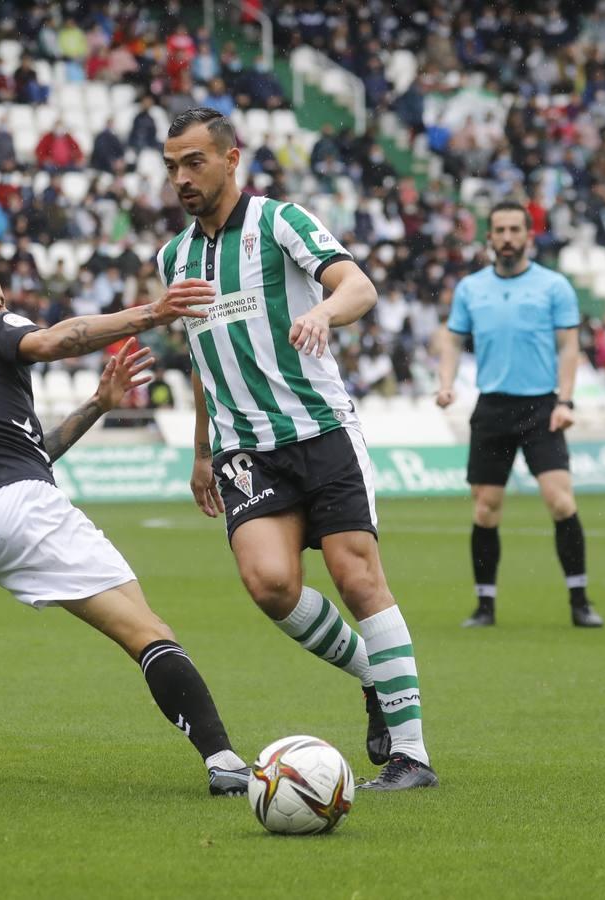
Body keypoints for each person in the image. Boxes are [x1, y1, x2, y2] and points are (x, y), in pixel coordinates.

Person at [0, 266, 252, 796]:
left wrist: (97, 404)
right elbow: (56, 340)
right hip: (23, 509)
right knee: (146, 631)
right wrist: (152, 314)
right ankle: (223, 760)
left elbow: (27, 451)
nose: (6, 306)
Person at [158, 107, 435, 791]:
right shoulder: (173, 257)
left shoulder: (281, 223)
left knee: (355, 577)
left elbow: (358, 285)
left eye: (194, 161)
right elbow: (200, 355)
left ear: (231, 158)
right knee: (270, 585)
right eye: (171, 166)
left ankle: (412, 755)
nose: (181, 178)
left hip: (318, 431)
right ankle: (376, 678)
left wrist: (320, 311)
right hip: (242, 450)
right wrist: (200, 451)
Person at [435, 201, 604, 630]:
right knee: (486, 510)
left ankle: (580, 601)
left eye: (515, 230)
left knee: (560, 501)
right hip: (492, 407)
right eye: (499, 230)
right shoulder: (471, 288)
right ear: (488, 237)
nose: (507, 237)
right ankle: (485, 605)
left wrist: (566, 402)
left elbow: (569, 347)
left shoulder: (554, 286)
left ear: (529, 236)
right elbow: (452, 341)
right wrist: (446, 382)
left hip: (541, 407)